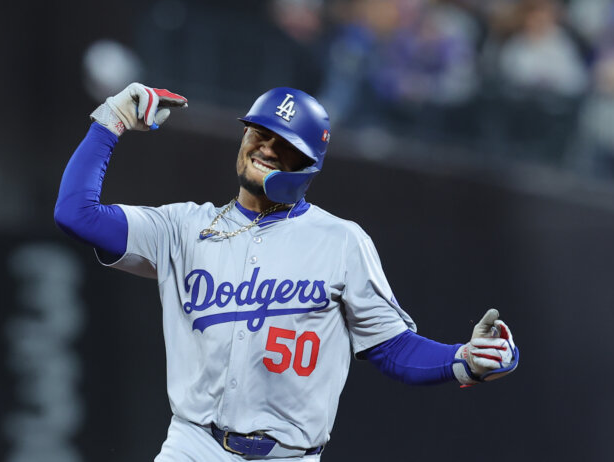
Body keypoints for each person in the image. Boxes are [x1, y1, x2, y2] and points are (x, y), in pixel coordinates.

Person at [54, 83, 519, 461]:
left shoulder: (341, 241)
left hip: (289, 457)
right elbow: (76, 214)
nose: (267, 148)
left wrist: (465, 360)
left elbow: (392, 347)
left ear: (309, 164)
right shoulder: (181, 227)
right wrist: (110, 122)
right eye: (259, 132)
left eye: (285, 144)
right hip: (193, 445)